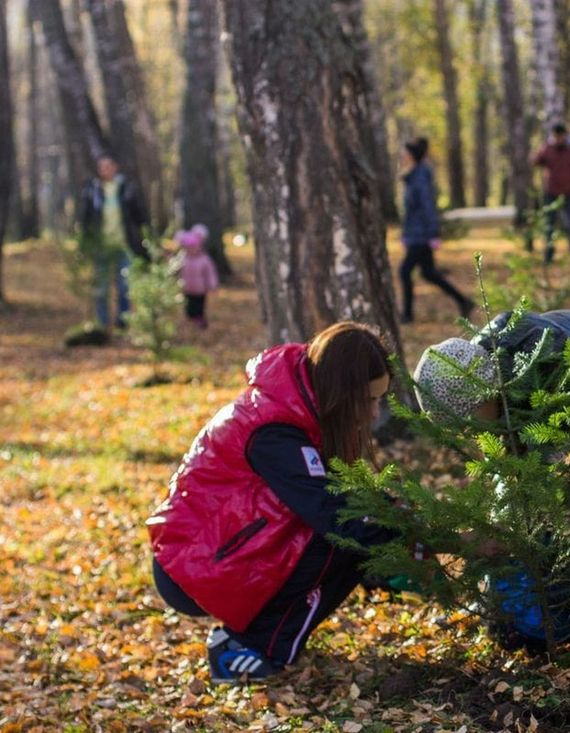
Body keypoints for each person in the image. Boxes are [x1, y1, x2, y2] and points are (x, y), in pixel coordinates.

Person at [147, 322, 406, 683]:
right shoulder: (275, 433)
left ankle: (269, 639)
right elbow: (334, 514)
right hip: (194, 567)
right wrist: (421, 535)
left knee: (348, 532)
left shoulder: (296, 408)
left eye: (379, 399)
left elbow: (339, 496)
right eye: (367, 400)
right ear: (339, 391)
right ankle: (245, 648)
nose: (375, 413)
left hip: (215, 554)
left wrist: (398, 519)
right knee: (338, 538)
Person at [412, 310, 570, 649]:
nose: (471, 431)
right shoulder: (473, 369)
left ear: (486, 392)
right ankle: (495, 600)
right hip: (535, 400)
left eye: (470, 419)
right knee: (512, 497)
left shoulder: (558, 369)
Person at [398, 138, 474, 324]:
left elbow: (428, 207)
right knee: (428, 273)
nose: (402, 156)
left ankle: (407, 315)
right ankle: (464, 301)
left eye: (405, 153)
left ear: (412, 156)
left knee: (404, 271)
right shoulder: (413, 176)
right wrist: (405, 234)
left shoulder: (420, 177)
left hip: (421, 235)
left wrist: (433, 233)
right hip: (415, 233)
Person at [78, 155, 150, 329]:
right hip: (101, 247)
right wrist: (84, 244)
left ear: (115, 167)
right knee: (101, 288)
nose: (105, 170)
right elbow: (85, 219)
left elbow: (139, 215)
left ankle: (123, 322)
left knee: (124, 286)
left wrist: (147, 237)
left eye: (108, 166)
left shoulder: (126, 188)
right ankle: (102, 324)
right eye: (102, 167)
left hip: (124, 245)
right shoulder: (93, 190)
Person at [532, 122, 570, 262]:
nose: (558, 139)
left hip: (569, 192)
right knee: (549, 224)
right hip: (551, 192)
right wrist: (543, 148)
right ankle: (548, 254)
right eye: (556, 136)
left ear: (565, 135)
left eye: (560, 136)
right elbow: (536, 161)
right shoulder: (548, 148)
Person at [175, 225, 219, 330]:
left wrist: (212, 285)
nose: (192, 249)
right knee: (189, 307)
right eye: (189, 247)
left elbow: (210, 273)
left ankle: (201, 322)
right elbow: (175, 270)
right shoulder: (183, 258)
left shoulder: (204, 259)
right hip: (187, 289)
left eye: (194, 247)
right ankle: (191, 321)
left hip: (200, 289)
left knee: (199, 307)